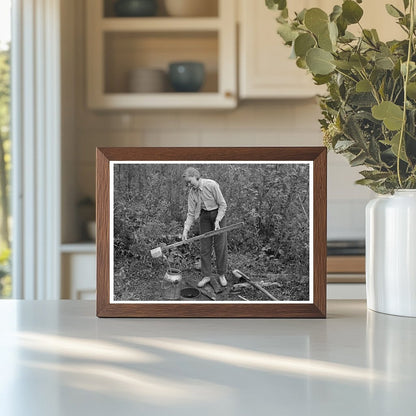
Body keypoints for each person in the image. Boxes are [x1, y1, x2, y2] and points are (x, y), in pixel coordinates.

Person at [182, 167, 228, 288]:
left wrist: (218, 221)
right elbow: (191, 213)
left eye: (189, 181)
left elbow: (223, 204)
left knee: (220, 246)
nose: (188, 185)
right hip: (204, 216)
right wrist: (185, 230)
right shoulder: (192, 192)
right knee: (205, 247)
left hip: (218, 214)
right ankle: (206, 275)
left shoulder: (211, 185)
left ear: (196, 176)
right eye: (187, 183)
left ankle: (221, 274)